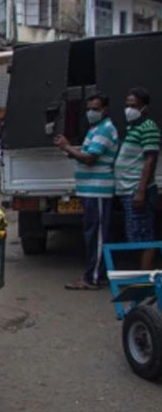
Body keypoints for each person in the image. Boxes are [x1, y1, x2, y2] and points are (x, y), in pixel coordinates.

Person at [54, 93, 119, 289]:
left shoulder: (105, 129)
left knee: (97, 234)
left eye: (96, 109)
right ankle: (99, 273)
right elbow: (84, 153)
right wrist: (71, 151)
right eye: (89, 109)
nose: (91, 112)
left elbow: (90, 158)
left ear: (104, 110)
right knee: (92, 233)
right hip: (90, 191)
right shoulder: (95, 129)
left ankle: (93, 278)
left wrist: (67, 147)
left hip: (98, 190)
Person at [115, 87, 161, 270]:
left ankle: (146, 278)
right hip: (128, 189)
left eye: (133, 105)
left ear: (144, 108)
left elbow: (150, 160)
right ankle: (142, 276)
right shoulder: (133, 128)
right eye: (127, 105)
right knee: (135, 234)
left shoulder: (148, 127)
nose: (129, 109)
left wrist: (141, 190)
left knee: (144, 235)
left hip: (137, 189)